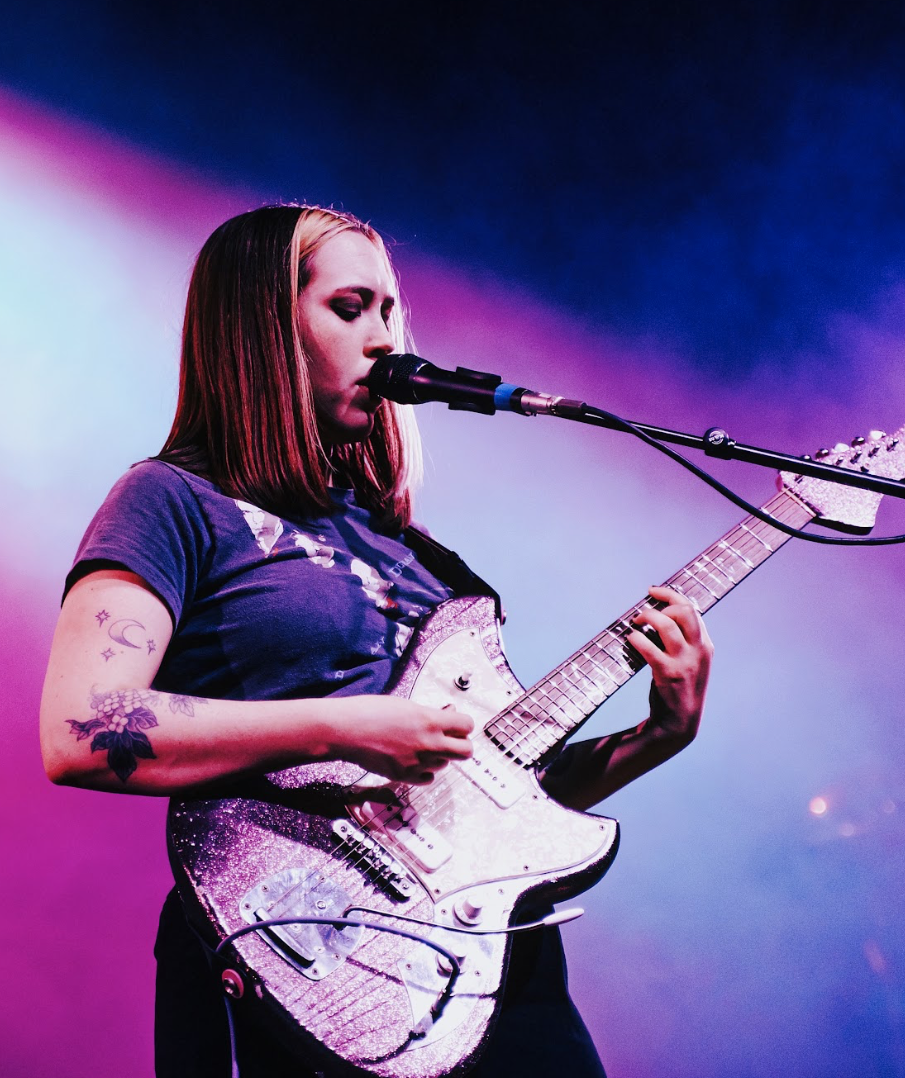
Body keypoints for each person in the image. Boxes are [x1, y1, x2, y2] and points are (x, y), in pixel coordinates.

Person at [40, 204, 713, 1077]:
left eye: (390, 310)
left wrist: (656, 737)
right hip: (298, 946)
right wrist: (342, 726)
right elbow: (81, 729)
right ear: (262, 328)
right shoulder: (171, 500)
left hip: (490, 966)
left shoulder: (415, 553)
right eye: (350, 308)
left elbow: (485, 803)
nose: (385, 338)